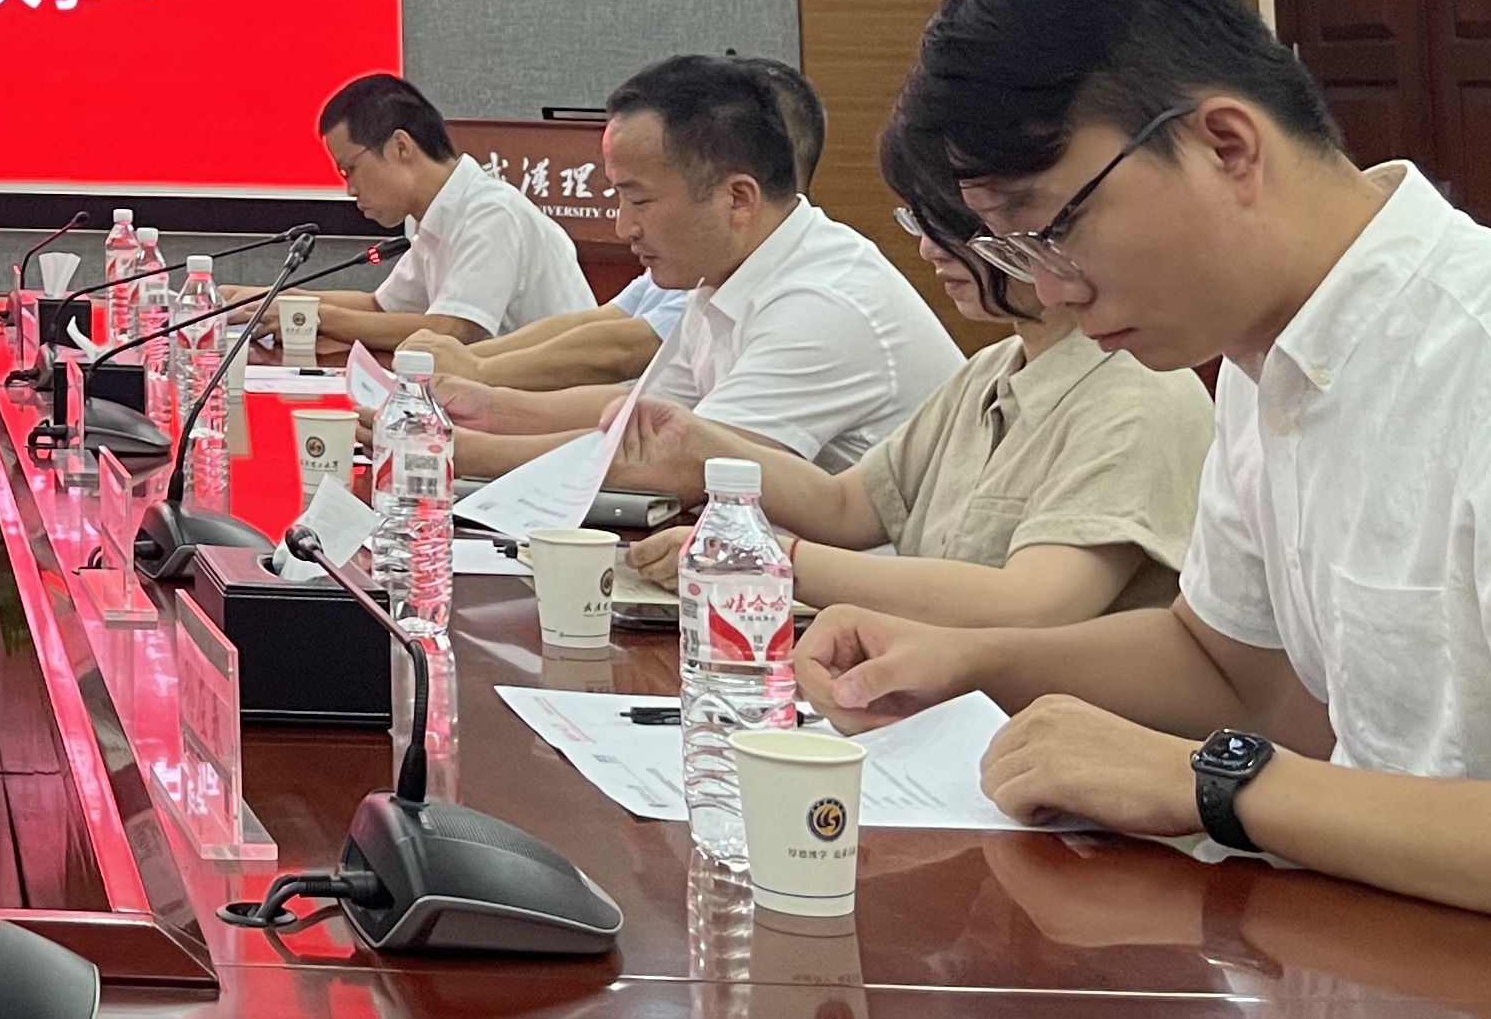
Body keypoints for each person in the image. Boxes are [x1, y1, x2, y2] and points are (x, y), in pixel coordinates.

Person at [800, 0, 1491, 1014]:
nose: (1048, 289)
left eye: (1054, 229)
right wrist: (971, 658)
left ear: (1227, 146)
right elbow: (1228, 668)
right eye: (1014, 248)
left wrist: (1214, 783)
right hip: (1397, 993)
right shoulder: (1262, 360)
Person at [610, 192, 1211, 625]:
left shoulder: (1138, 392)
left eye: (952, 225)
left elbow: (1033, 603)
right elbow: (847, 505)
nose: (927, 249)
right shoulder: (994, 367)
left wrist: (769, 559)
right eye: (919, 222)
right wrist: (698, 440)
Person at [434, 52, 961, 476]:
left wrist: (464, 452)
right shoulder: (730, 273)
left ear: (738, 199)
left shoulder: (822, 303)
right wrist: (489, 407)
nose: (623, 227)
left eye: (639, 200)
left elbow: (681, 464)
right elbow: (647, 413)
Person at [402, 55, 822, 391]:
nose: (624, 227)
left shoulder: (807, 299)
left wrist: (477, 370)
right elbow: (604, 326)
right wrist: (472, 367)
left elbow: (619, 353)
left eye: (639, 199)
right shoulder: (709, 277)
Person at [292, 71, 591, 358]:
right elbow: (380, 307)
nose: (350, 190)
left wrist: (316, 316)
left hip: (567, 391)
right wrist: (282, 300)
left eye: (350, 169)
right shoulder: (438, 216)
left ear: (400, 147)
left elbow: (452, 331)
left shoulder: (491, 212)